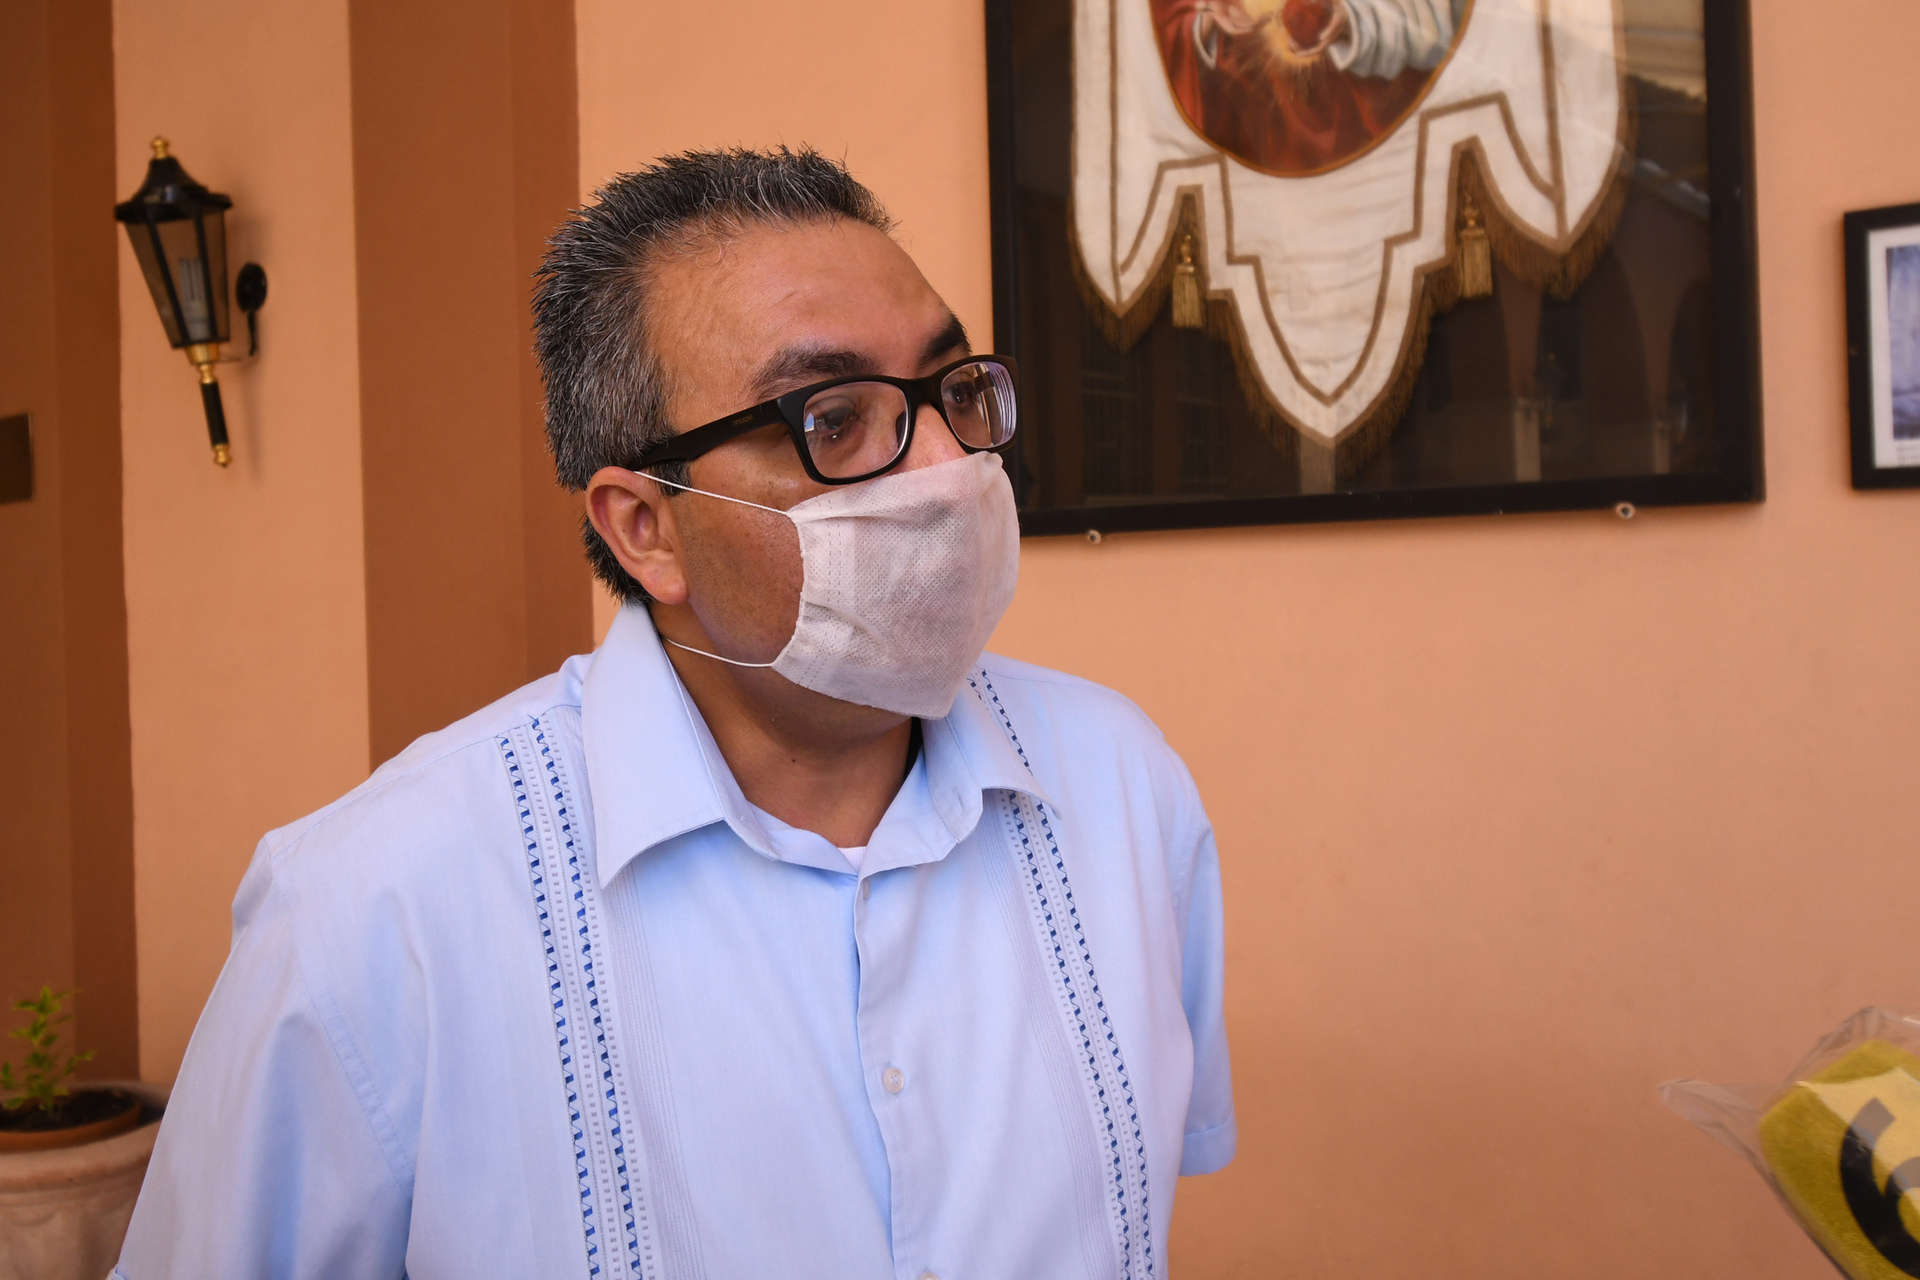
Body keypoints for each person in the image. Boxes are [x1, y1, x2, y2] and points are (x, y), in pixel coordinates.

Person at [115, 148, 1233, 1280]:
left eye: (954, 389)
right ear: (646, 527)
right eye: (832, 419)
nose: (947, 465)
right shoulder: (373, 912)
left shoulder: (1120, 786)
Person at [1156, 0, 1467, 173]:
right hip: (1250, 148)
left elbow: (1440, 20)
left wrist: (1352, 19)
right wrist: (1209, 15)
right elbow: (1163, 25)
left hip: (1374, 148)